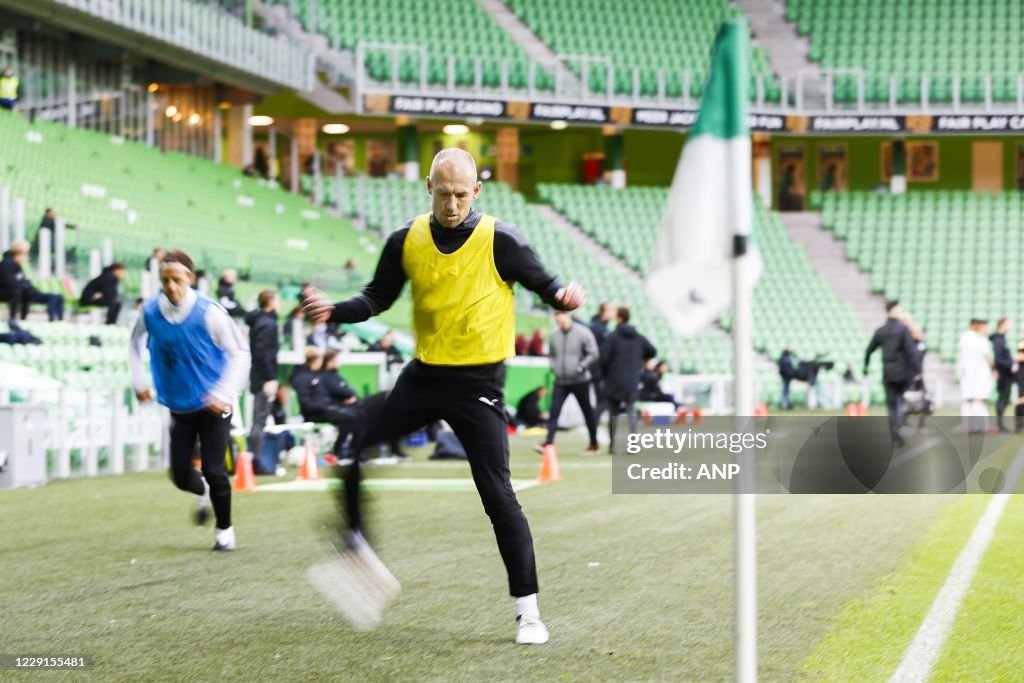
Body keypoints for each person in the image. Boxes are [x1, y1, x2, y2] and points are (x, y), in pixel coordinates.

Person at [303, 147, 585, 645]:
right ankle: (357, 548)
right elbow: (375, 298)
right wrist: (333, 311)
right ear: (427, 188)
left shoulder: (501, 240)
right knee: (355, 443)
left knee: (498, 496)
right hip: (424, 377)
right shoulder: (405, 240)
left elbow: (547, 284)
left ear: (476, 191)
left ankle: (529, 612)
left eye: (460, 194)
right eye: (442, 193)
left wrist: (564, 295)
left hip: (478, 386)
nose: (452, 203)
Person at [128, 249, 250, 551]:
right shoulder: (151, 312)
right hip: (179, 404)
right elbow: (134, 343)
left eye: (177, 280)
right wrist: (139, 381)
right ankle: (203, 491)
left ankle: (225, 530)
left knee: (214, 468)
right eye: (165, 280)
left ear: (190, 279)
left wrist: (222, 394)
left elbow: (240, 354)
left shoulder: (210, 313)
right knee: (181, 476)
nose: (171, 287)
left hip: (215, 407)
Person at [321, 349, 408, 459]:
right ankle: (357, 449)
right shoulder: (327, 377)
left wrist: (351, 395)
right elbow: (342, 392)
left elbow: (348, 391)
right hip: (347, 407)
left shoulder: (334, 375)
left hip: (356, 404)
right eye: (337, 359)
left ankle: (394, 448)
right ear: (330, 362)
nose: (339, 362)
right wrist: (348, 397)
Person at [542, 310, 600, 454]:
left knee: (587, 411)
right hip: (560, 381)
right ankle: (548, 443)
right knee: (554, 411)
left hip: (580, 381)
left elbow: (593, 353)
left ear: (568, 317)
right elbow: (552, 355)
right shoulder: (554, 335)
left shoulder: (583, 333)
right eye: (557, 322)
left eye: (561, 321)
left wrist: (582, 366)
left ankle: (593, 443)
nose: (559, 324)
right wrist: (554, 367)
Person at [601, 307, 656, 454]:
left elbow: (603, 359)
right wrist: (643, 359)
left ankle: (612, 446)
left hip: (614, 379)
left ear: (618, 318)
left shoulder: (612, 337)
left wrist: (605, 375)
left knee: (613, 413)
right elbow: (652, 350)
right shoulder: (638, 337)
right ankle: (633, 446)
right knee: (631, 411)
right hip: (632, 379)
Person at [290, 347, 361, 455]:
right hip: (314, 414)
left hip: (325, 410)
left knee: (357, 415)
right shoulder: (302, 378)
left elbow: (325, 397)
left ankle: (352, 450)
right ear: (314, 360)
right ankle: (338, 450)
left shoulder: (316, 375)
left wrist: (337, 404)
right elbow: (306, 404)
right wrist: (326, 407)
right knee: (349, 418)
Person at [864, 301, 916, 447]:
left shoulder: (880, 331)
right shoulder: (902, 329)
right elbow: (910, 352)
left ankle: (896, 437)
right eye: (899, 309)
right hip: (903, 373)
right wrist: (916, 370)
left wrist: (865, 367)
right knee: (906, 401)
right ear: (893, 310)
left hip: (888, 372)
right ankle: (902, 425)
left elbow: (869, 351)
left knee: (892, 406)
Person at [246, 290, 280, 463]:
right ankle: (256, 461)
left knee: (257, 419)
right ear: (270, 301)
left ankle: (254, 459)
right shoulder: (267, 324)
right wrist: (269, 378)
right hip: (263, 378)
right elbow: (264, 354)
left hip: (257, 376)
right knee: (259, 420)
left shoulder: (258, 322)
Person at [0, 239, 64, 321]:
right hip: (7, 292)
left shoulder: (18, 266)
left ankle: (58, 320)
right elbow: (10, 283)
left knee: (56, 297)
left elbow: (22, 281)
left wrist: (28, 287)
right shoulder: (6, 264)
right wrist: (25, 286)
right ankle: (14, 319)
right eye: (25, 254)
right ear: (18, 254)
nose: (27, 257)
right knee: (18, 292)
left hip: (21, 291)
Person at [958, 319, 994, 434]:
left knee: (969, 400)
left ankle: (970, 427)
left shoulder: (966, 338)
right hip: (977, 375)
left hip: (968, 374)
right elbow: (986, 356)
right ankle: (981, 426)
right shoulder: (979, 339)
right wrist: (993, 368)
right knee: (978, 400)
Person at [588, 302, 616, 427]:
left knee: (601, 402)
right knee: (602, 402)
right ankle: (593, 433)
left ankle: (593, 433)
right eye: (611, 310)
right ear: (603, 312)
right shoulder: (597, 328)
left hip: (600, 372)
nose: (613, 313)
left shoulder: (602, 328)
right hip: (598, 372)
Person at [990, 317, 1015, 432]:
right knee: (1002, 397)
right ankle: (1000, 425)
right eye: (1008, 324)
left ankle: (1001, 424)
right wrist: (1011, 365)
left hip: (1007, 373)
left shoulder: (1002, 339)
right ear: (1003, 324)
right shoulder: (998, 339)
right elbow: (999, 359)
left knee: (1005, 398)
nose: (1010, 326)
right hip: (1003, 373)